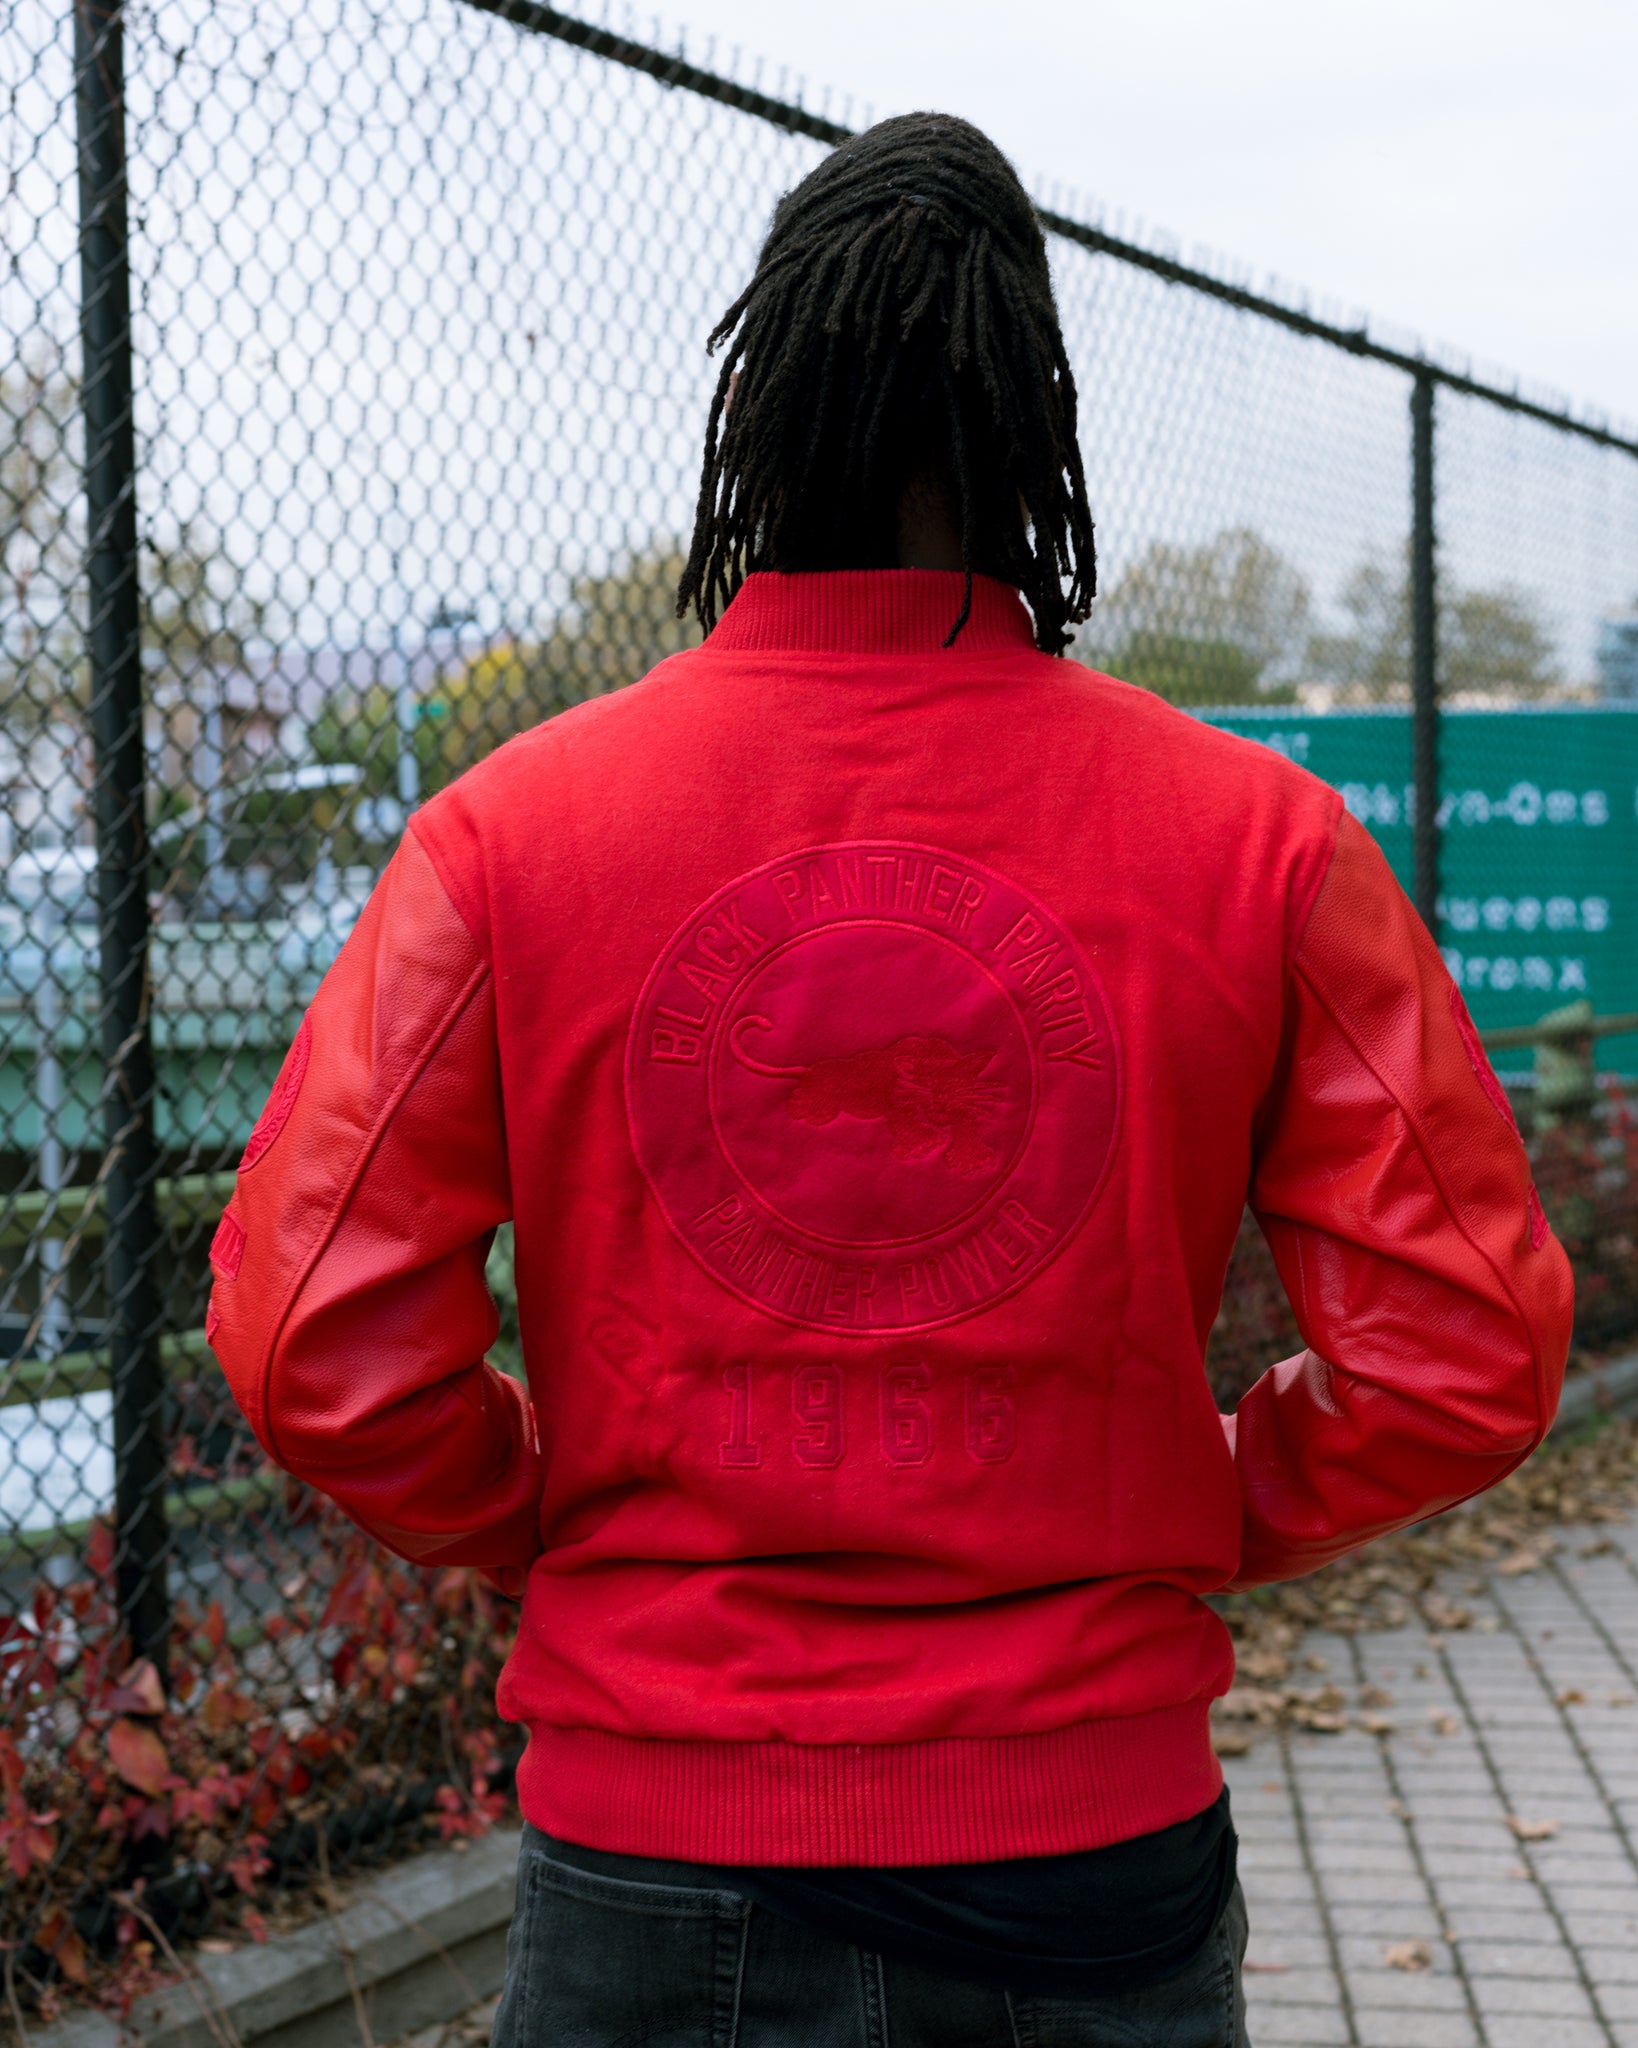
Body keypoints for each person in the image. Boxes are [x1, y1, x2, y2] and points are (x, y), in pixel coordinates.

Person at [207, 112, 1573, 2048]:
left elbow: (312, 1334)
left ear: (751, 411)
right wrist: (1191, 1502)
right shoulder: (1252, 835)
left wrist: (552, 1518)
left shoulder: (518, 828)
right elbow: (1470, 1354)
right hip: (1092, 1833)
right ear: (1038, 427)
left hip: (649, 1825)